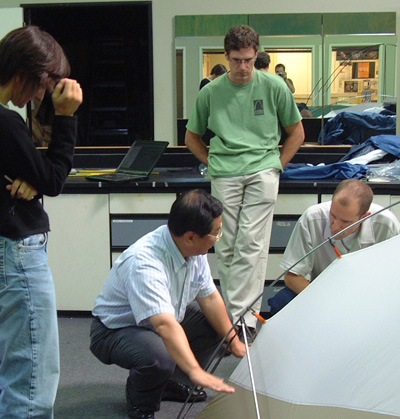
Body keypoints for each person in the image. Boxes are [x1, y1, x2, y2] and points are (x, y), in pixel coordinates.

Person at [185, 25, 304, 338]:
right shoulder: (210, 92)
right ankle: (236, 317)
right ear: (226, 56)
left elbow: (297, 132)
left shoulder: (274, 86)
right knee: (225, 245)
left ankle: (241, 322)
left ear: (257, 55)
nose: (243, 67)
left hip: (263, 169)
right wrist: (212, 162)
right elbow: (192, 137)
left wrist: (276, 166)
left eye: (249, 60)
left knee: (251, 243)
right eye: (237, 60)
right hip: (225, 170)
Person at [90, 189, 246, 419]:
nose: (218, 238)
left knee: (220, 323)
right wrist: (195, 370)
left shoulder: (194, 250)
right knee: (160, 356)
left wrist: (234, 341)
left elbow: (210, 298)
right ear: (191, 237)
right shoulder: (145, 262)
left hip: (162, 321)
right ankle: (140, 405)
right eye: (216, 233)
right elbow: (164, 325)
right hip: (114, 330)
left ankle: (171, 383)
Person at [0, 26, 83, 418]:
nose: (38, 96)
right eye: (40, 86)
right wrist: (66, 117)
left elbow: (38, 176)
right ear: (23, 74)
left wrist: (30, 177)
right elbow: (53, 180)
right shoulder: (6, 122)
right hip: (17, 251)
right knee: (30, 379)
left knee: (10, 366)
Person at [273, 179, 400, 313]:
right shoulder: (312, 218)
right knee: (281, 300)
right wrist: (325, 302)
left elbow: (394, 279)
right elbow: (292, 277)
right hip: (323, 293)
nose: (335, 226)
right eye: (333, 216)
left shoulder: (386, 224)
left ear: (364, 217)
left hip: (368, 295)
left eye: (345, 222)